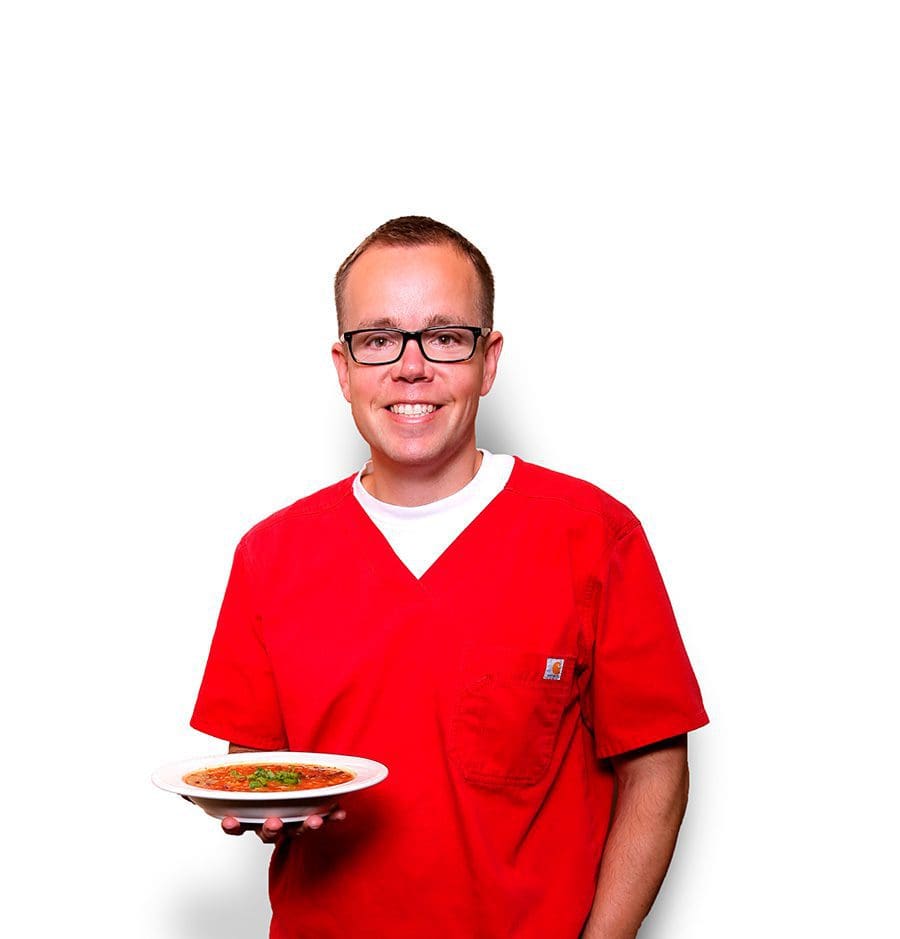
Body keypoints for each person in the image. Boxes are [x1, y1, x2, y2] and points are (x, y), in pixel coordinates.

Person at [190, 216, 709, 939]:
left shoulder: (594, 536)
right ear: (343, 368)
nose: (411, 366)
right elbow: (253, 764)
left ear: (488, 359)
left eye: (444, 336)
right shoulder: (270, 554)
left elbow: (655, 770)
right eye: (378, 339)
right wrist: (261, 807)